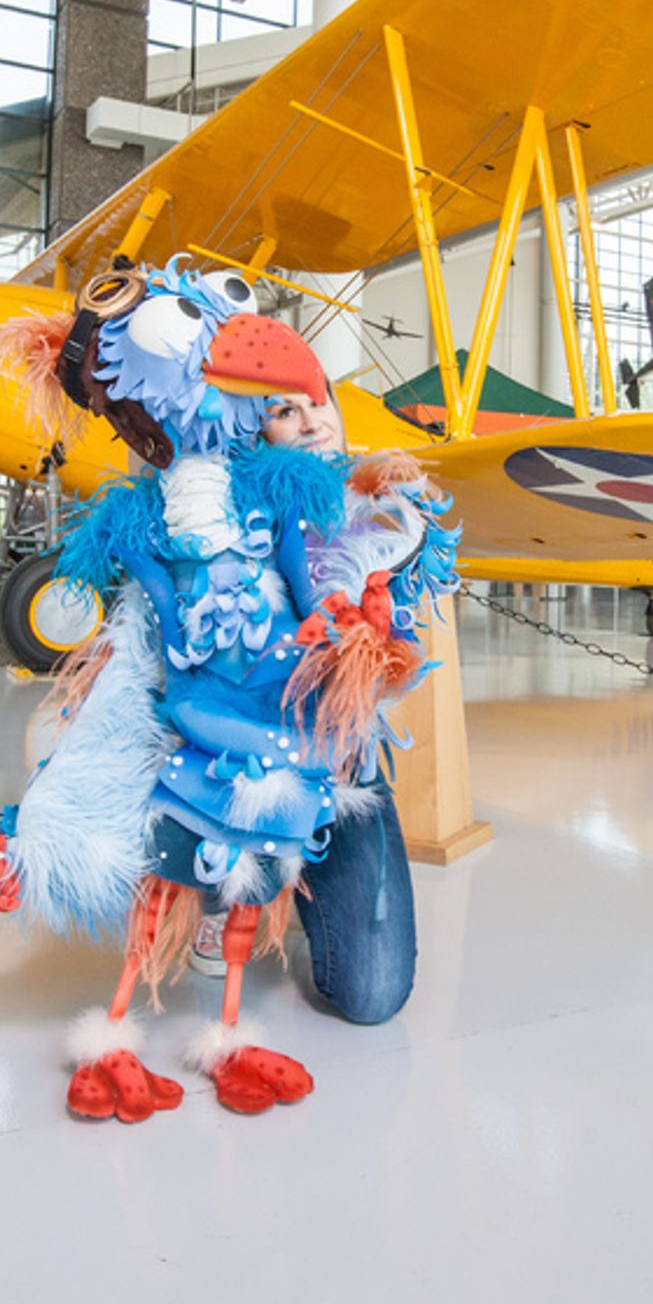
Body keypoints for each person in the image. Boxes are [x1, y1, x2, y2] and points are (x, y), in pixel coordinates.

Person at [187, 378, 418, 1026]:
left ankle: (299, 881)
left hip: (339, 766)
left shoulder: (383, 503)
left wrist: (338, 608)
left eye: (323, 403)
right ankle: (220, 889)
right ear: (255, 431)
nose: (315, 422)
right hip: (231, 762)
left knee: (371, 995)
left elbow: (367, 565)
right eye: (287, 411)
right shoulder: (217, 508)